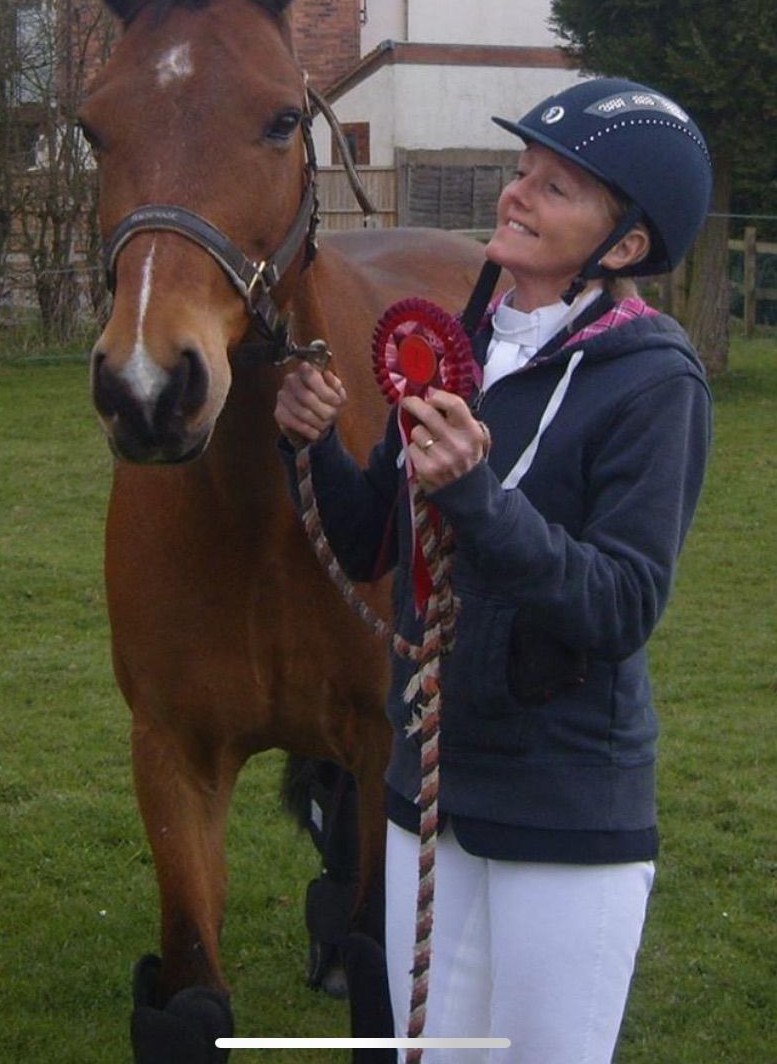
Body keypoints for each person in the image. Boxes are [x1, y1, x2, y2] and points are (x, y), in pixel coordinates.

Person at [274, 77, 713, 1064]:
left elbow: (619, 603)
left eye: (556, 187)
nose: (516, 193)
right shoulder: (458, 342)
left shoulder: (652, 379)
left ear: (627, 243)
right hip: (425, 792)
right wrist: (308, 447)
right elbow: (372, 547)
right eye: (523, 172)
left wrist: (476, 496)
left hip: (561, 807)